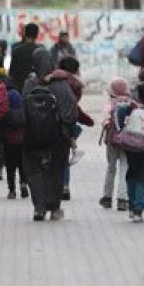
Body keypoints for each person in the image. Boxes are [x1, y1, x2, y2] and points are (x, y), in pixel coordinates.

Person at [23, 50, 77, 221]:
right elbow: (70, 113)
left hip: (31, 137)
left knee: (34, 171)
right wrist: (68, 133)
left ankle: (39, 208)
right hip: (57, 138)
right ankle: (54, 207)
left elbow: (23, 109)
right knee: (55, 171)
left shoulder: (29, 84)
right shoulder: (62, 85)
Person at [47, 56, 96, 200]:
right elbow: (73, 106)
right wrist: (87, 120)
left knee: (50, 155)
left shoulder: (49, 79)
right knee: (63, 157)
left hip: (48, 121)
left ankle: (51, 186)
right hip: (67, 123)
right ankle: (64, 186)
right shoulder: (74, 84)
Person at [115, 81, 144, 223]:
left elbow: (118, 114)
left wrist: (121, 130)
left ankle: (132, 203)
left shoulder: (131, 106)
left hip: (130, 146)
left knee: (132, 173)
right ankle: (138, 209)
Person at [0, 55, 27, 200]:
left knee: (10, 165)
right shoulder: (15, 93)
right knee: (22, 164)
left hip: (7, 136)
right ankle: (23, 184)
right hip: (21, 136)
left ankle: (12, 190)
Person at [100, 77, 132, 211]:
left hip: (112, 141)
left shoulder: (109, 104)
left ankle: (107, 198)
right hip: (127, 141)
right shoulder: (131, 103)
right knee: (125, 169)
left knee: (111, 168)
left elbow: (105, 121)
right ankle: (122, 200)